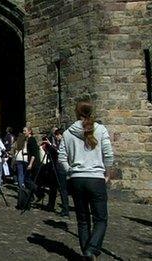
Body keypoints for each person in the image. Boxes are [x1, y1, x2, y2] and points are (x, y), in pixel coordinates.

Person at [59, 101, 114, 259]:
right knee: (101, 218)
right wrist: (107, 173)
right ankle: (92, 249)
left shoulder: (68, 132)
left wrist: (71, 170)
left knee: (82, 220)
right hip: (95, 178)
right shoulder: (100, 129)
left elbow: (62, 157)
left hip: (77, 179)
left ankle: (86, 254)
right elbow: (108, 154)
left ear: (76, 112)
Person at [42, 128, 69, 216]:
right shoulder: (57, 142)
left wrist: (51, 145)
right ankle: (51, 204)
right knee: (52, 186)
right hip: (54, 166)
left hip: (61, 167)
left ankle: (65, 208)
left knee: (62, 188)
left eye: (57, 135)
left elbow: (60, 152)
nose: (56, 137)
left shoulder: (65, 143)